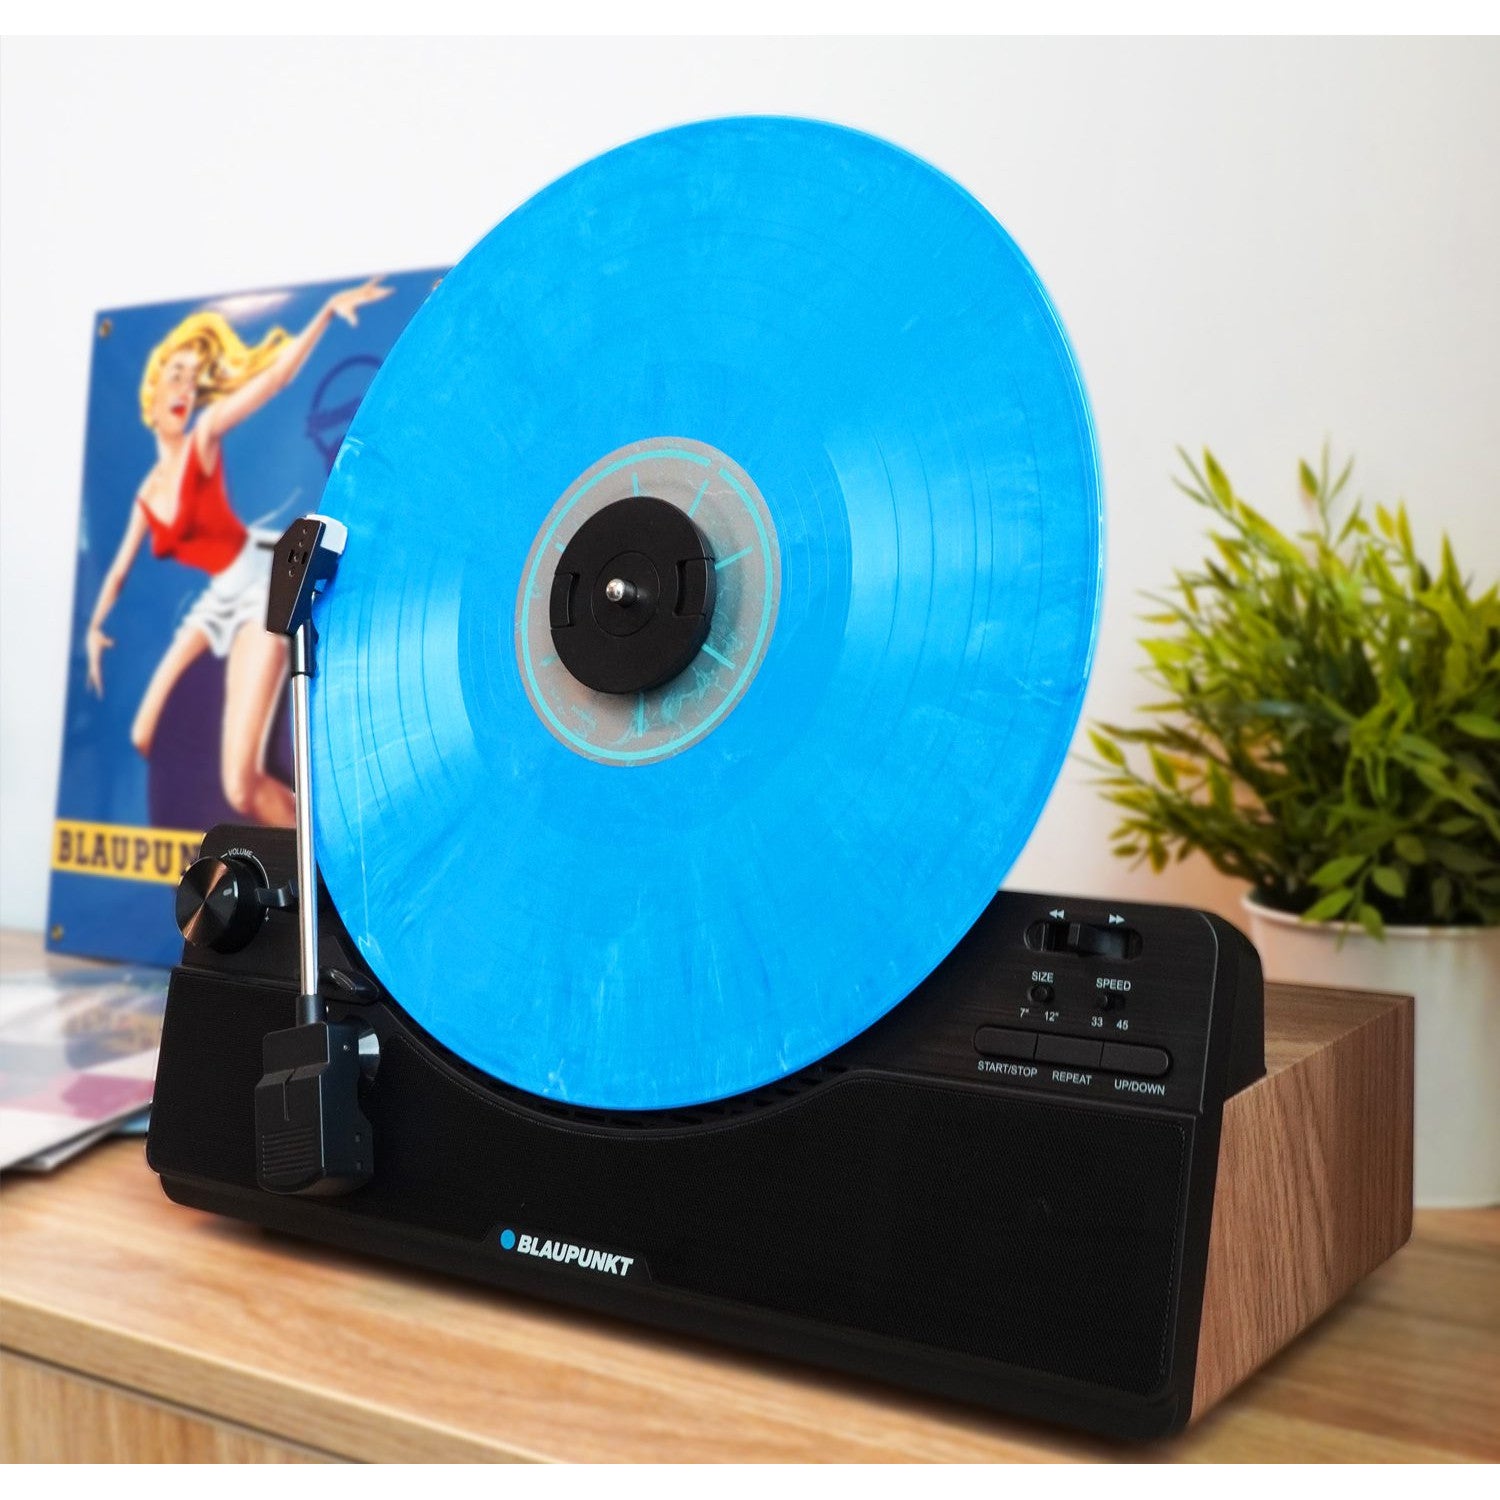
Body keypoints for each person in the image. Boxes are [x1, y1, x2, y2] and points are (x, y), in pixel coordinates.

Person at [84, 278, 392, 825]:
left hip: (258, 584)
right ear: (152, 391)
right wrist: (94, 629)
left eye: (192, 378)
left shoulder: (203, 439)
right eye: (175, 375)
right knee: (143, 731)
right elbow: (117, 574)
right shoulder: (147, 492)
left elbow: (274, 380)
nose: (185, 388)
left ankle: (324, 862)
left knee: (242, 785)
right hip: (216, 601)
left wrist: (324, 312)